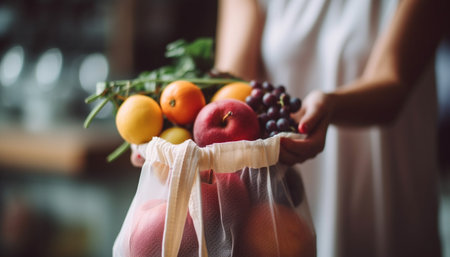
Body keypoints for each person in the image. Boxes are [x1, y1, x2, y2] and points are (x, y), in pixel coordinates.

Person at [214, 0, 447, 257]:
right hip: (286, 196)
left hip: (384, 185)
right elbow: (232, 87)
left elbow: (393, 81)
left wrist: (331, 105)